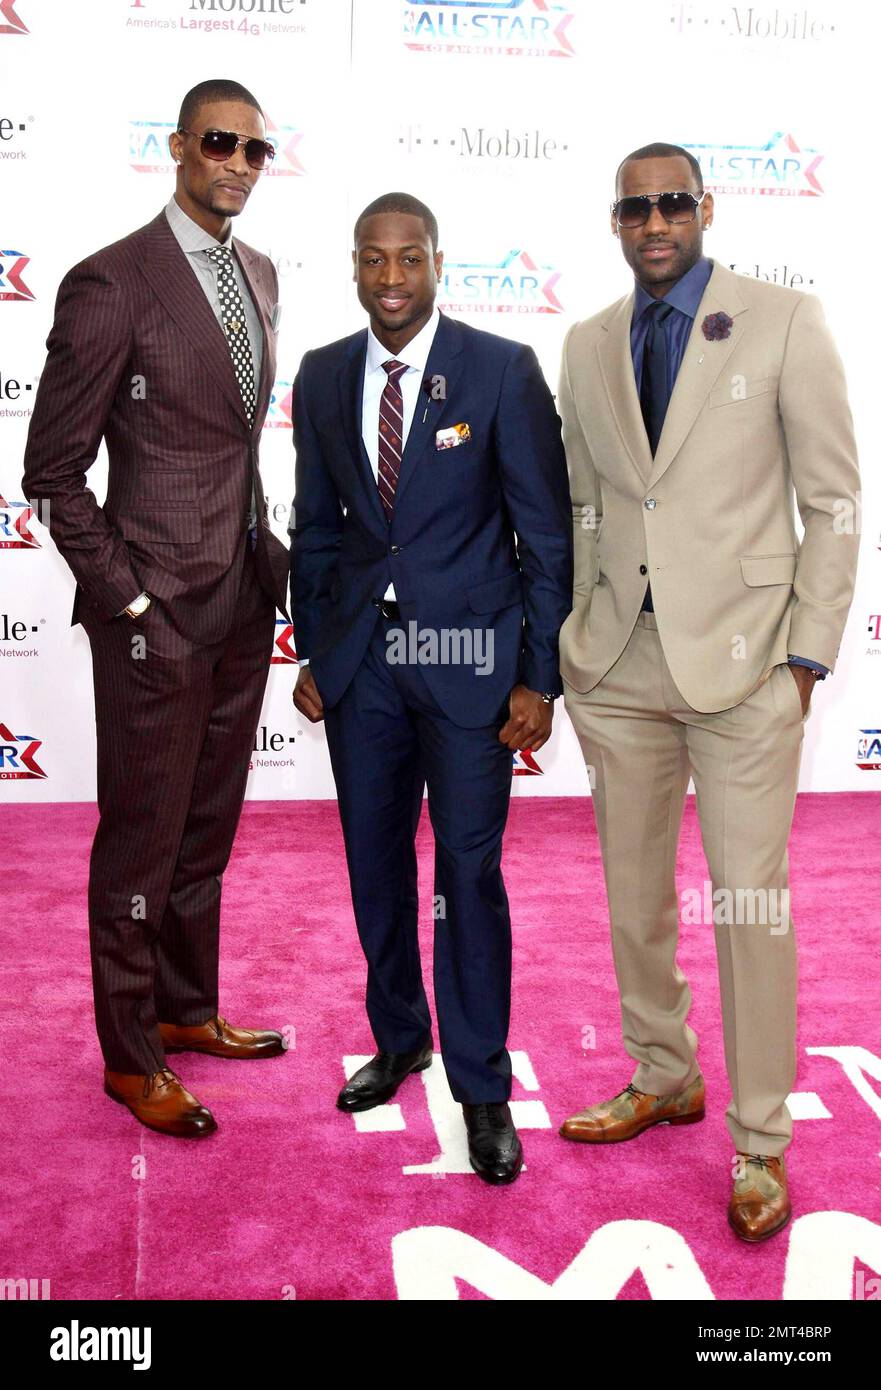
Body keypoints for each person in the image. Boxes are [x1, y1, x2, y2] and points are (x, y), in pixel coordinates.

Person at [556, 142, 860, 1240]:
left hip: (744, 668)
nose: (653, 221)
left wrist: (803, 661)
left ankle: (761, 1138)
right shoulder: (586, 342)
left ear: (704, 207)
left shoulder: (780, 320)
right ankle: (660, 1070)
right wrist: (575, 642)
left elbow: (830, 500)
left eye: (671, 202)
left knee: (744, 907)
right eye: (633, 205)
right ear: (614, 218)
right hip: (618, 667)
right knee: (634, 901)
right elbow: (587, 502)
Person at [22, 78, 290, 1138]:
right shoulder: (111, 281)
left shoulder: (260, 275)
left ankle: (185, 1011)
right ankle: (130, 1057)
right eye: (219, 142)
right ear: (178, 147)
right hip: (152, 615)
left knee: (204, 832)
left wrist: (262, 563)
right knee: (141, 838)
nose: (236, 161)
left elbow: (229, 440)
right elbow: (53, 471)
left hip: (236, 597)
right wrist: (128, 595)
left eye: (254, 149)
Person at [290, 192, 572, 1184]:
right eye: (374, 259)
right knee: (374, 866)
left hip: (469, 671)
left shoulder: (498, 371)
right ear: (356, 267)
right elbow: (317, 528)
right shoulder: (324, 377)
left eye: (409, 258)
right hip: (363, 667)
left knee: (465, 878)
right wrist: (318, 652)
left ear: (437, 265)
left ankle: (482, 1085)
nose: (391, 276)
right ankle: (400, 1035)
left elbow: (542, 533)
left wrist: (539, 676)